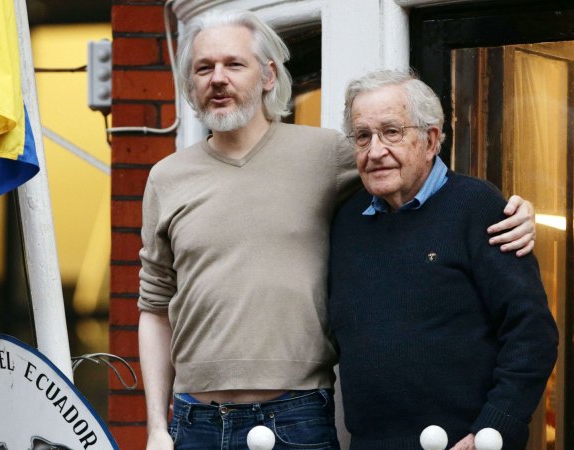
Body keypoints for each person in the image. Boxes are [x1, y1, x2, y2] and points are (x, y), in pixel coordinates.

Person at [138, 10, 536, 450]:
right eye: (203, 67)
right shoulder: (166, 177)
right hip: (193, 420)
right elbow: (154, 305)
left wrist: (516, 209)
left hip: (294, 416)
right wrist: (157, 425)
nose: (218, 79)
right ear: (190, 83)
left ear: (269, 75)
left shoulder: (324, 154)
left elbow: (418, 173)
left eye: (234, 64)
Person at [328, 70, 558, 450]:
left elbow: (532, 333)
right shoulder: (346, 221)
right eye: (363, 136)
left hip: (467, 443)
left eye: (392, 132)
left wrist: (493, 429)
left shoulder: (477, 206)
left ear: (431, 139)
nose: (375, 151)